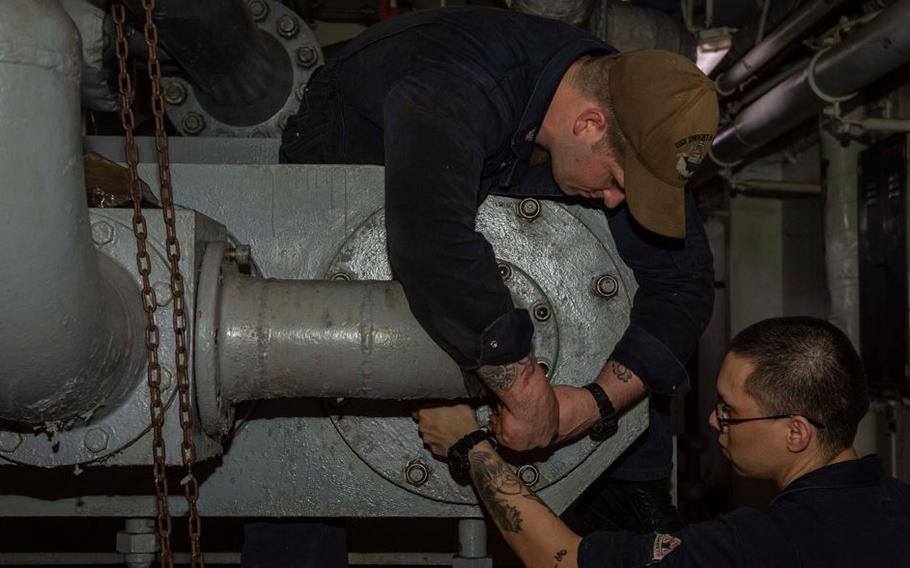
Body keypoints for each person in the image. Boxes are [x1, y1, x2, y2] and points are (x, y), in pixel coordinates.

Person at [281, 6, 717, 531]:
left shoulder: (629, 112)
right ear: (588, 123)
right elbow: (431, 236)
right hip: (338, 220)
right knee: (296, 447)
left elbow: (684, 284)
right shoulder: (461, 81)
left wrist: (595, 404)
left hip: (464, 214)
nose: (616, 200)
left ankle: (626, 500)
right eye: (618, 180)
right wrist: (523, 386)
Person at [416, 316, 910, 567]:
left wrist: (469, 445)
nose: (715, 424)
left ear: (796, 431)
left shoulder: (760, 545)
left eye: (730, 412)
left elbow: (561, 561)